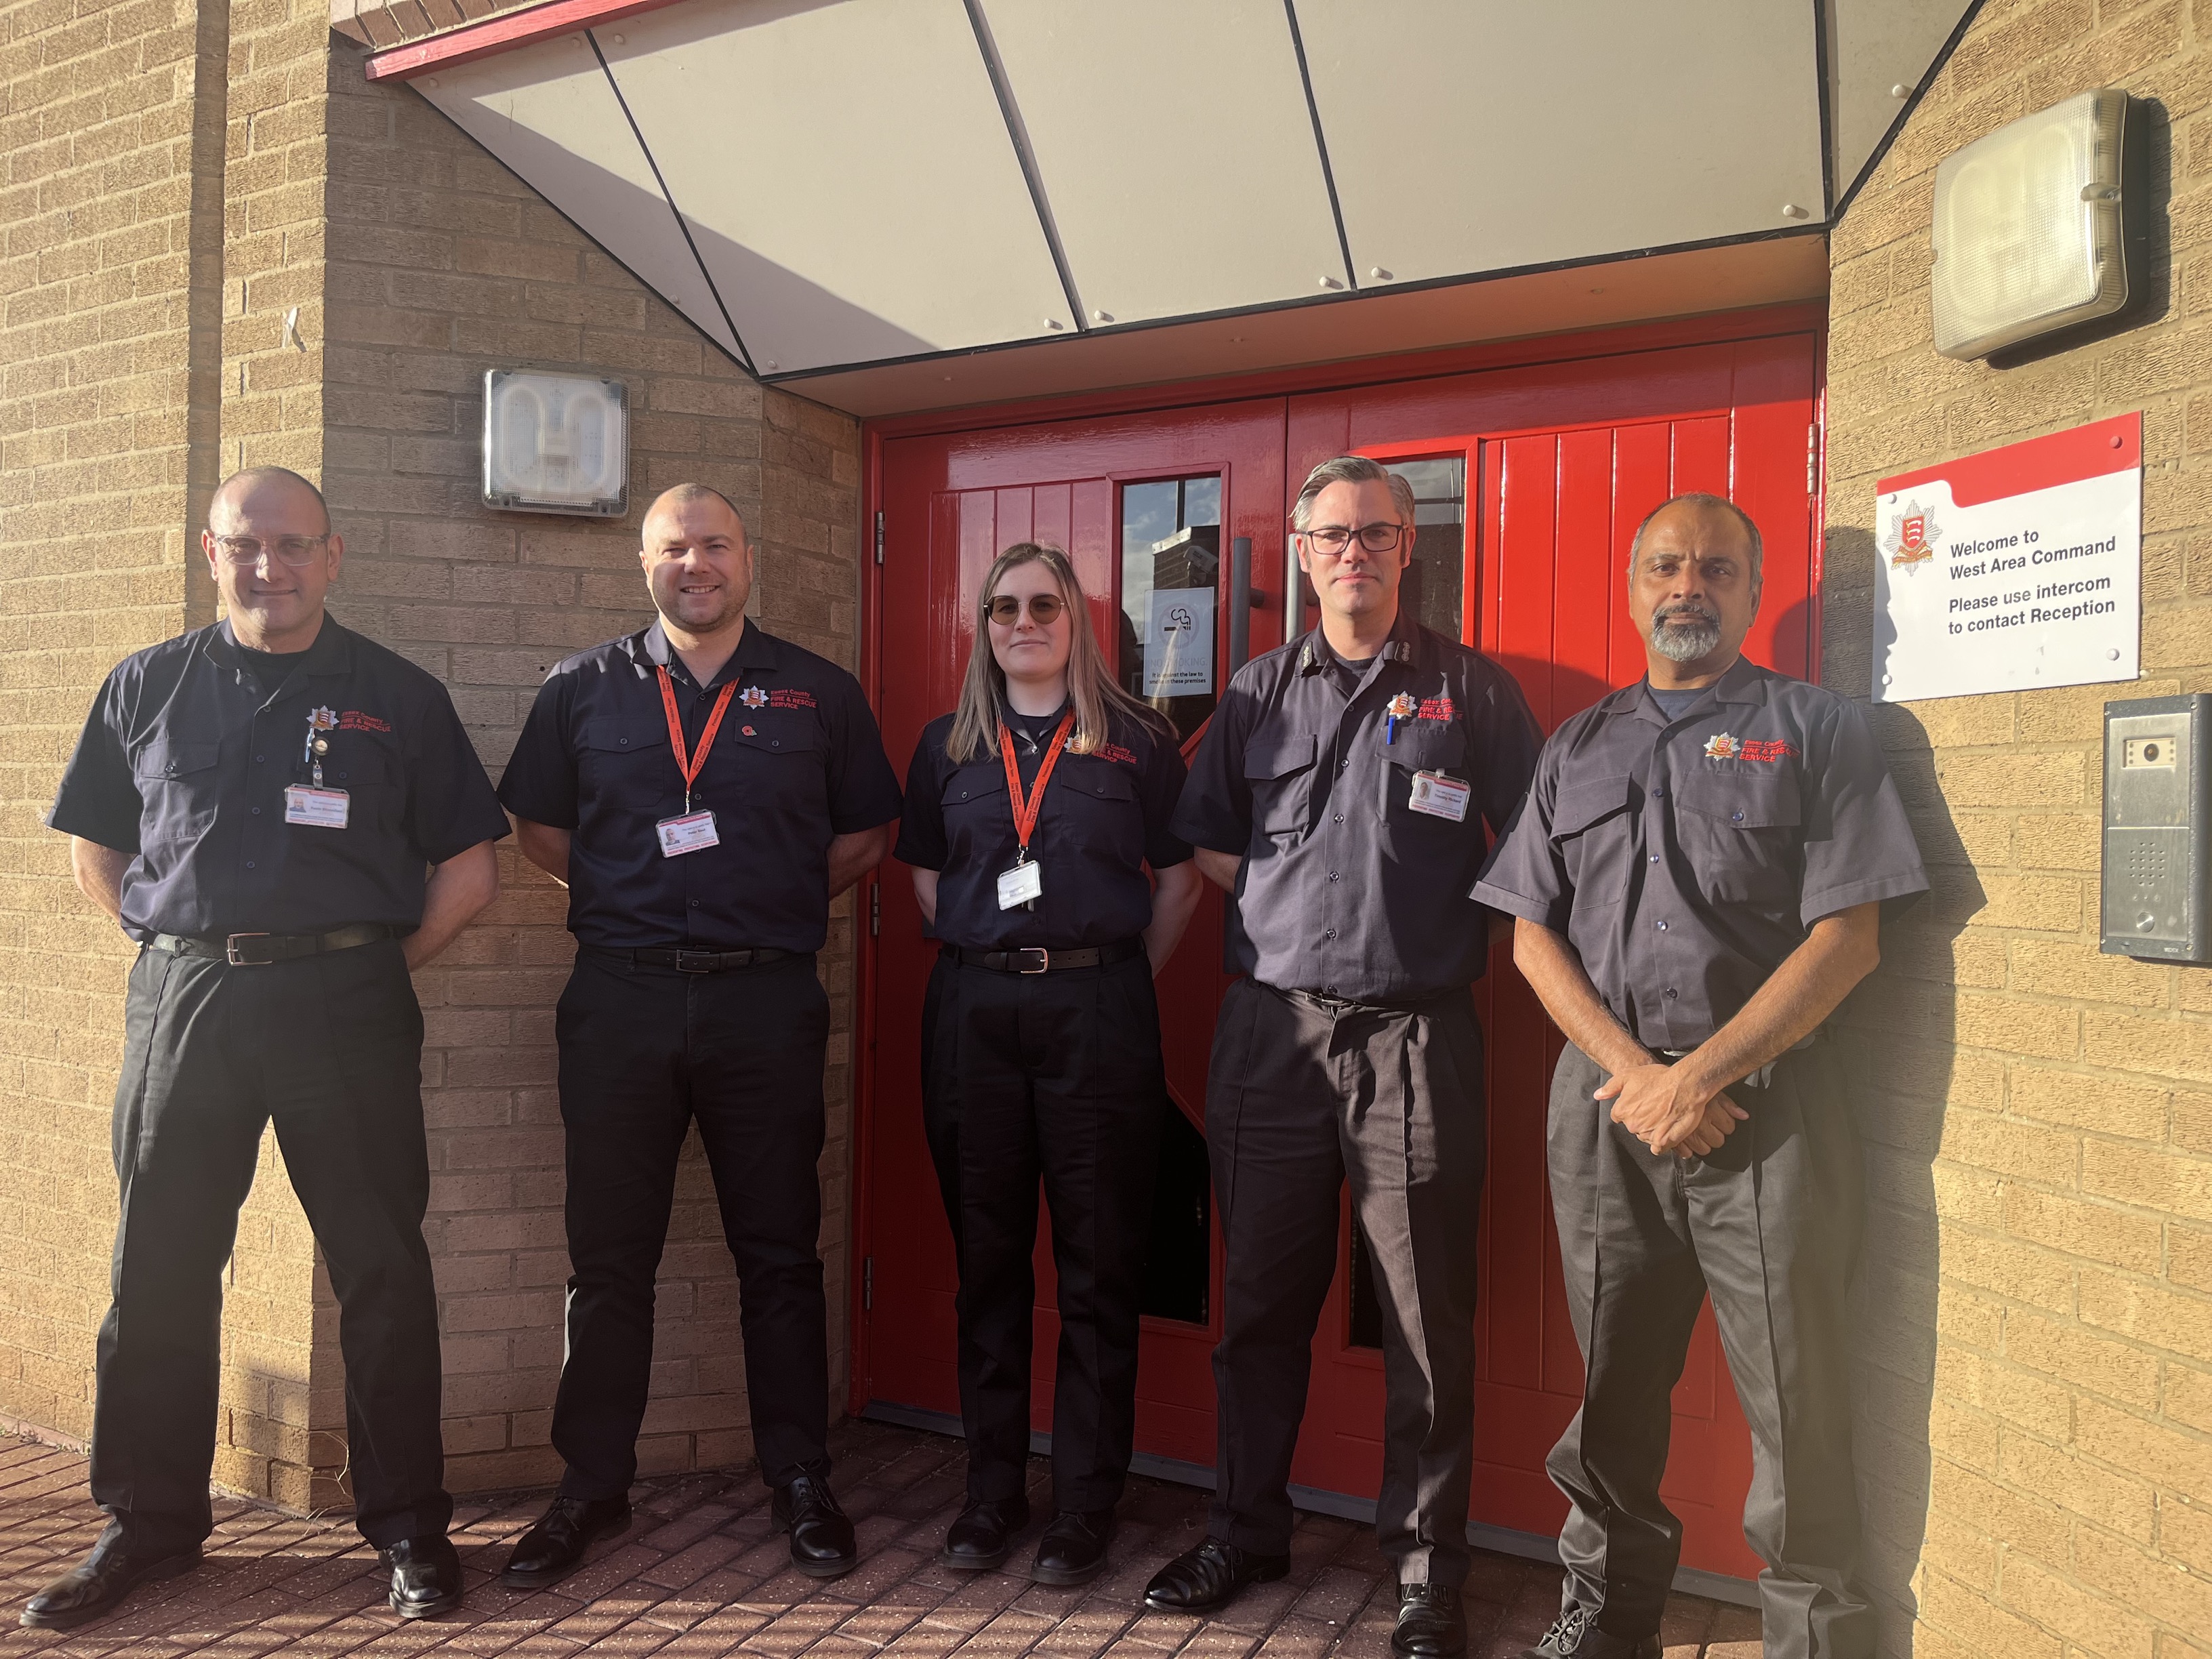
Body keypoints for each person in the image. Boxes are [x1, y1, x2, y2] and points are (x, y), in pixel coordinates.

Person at [28, 467, 508, 1629]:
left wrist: (367, 968)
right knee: (158, 1267)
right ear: (211, 551)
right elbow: (95, 846)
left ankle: (407, 1528)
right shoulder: (147, 684)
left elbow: (470, 867)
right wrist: (170, 939)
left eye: (293, 545)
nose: (269, 567)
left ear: (333, 556)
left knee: (382, 1270)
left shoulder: (396, 694)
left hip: (345, 1000)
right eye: (247, 545)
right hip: (187, 999)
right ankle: (149, 1523)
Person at [1473, 493, 1927, 1659]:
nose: (1690, 587)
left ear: (1754, 589)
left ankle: (1816, 1636)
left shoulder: (1819, 731)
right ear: (1635, 586)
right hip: (1609, 1113)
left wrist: (1703, 1076)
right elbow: (1530, 934)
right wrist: (1637, 1076)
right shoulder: (1576, 743)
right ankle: (1609, 1613)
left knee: (1795, 1396)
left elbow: (1850, 940)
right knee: (1612, 1383)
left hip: (1766, 1118)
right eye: (1668, 567)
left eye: (1718, 570)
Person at [1152, 455, 1542, 1658]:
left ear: (1408, 548)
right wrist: (1296, 912)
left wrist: (1418, 933)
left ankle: (1427, 1577)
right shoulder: (1259, 691)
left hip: (1418, 1039)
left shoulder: (1472, 693)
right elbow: (1209, 842)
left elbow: (1532, 857)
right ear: (1305, 556)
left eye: (1378, 532)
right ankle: (1246, 1527)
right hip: (1271, 1036)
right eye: (1334, 534)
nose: (1356, 552)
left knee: (1425, 1322)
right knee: (1258, 1307)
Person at [495, 483, 901, 1587]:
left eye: (714, 544)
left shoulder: (818, 694)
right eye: (674, 548)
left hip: (763, 1000)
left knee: (778, 1254)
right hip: (619, 998)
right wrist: (629, 889)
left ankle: (801, 1478)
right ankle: (591, 1488)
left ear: (747, 559)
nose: (695, 564)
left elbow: (867, 832)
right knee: (607, 1261)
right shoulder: (581, 689)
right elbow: (537, 827)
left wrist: (766, 898)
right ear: (645, 563)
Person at [895, 543, 1203, 1586]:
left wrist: (1108, 978)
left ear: (1078, 619)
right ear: (983, 627)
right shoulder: (947, 748)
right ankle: (990, 1495)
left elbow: (1178, 883)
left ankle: (1083, 1504)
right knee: (987, 1264)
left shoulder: (1137, 745)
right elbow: (932, 884)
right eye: (1003, 608)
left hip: (1098, 1009)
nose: (1023, 623)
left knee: (1099, 1268)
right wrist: (1005, 955)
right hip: (976, 1009)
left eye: (1044, 605)